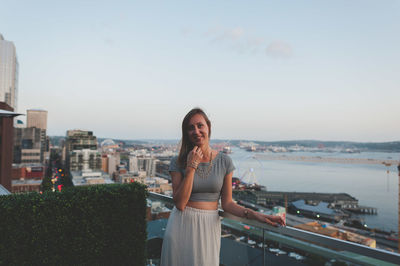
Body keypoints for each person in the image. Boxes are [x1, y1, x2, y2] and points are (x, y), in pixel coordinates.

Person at [160, 108, 285, 266]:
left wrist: (258, 216)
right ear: (186, 133)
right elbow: (180, 203)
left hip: (209, 226)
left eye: (200, 125)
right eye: (191, 128)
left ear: (208, 127)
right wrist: (191, 166)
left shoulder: (225, 161)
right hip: (182, 224)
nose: (196, 131)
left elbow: (227, 204)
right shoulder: (177, 162)